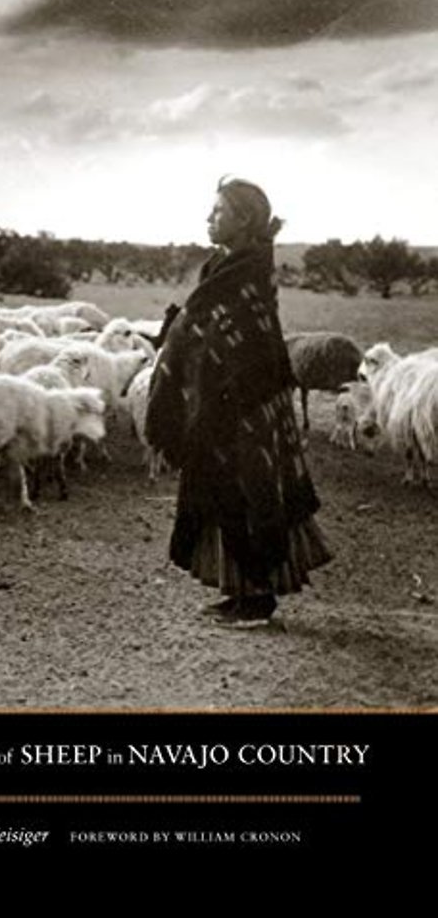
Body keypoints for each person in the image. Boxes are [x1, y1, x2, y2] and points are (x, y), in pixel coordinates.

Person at [145, 176, 332, 626]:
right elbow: (202, 328)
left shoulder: (248, 272)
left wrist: (185, 334)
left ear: (244, 219)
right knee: (218, 490)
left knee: (252, 492)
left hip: (248, 405)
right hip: (222, 404)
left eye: (219, 211)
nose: (208, 218)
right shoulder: (221, 267)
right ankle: (238, 590)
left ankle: (259, 597)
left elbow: (243, 340)